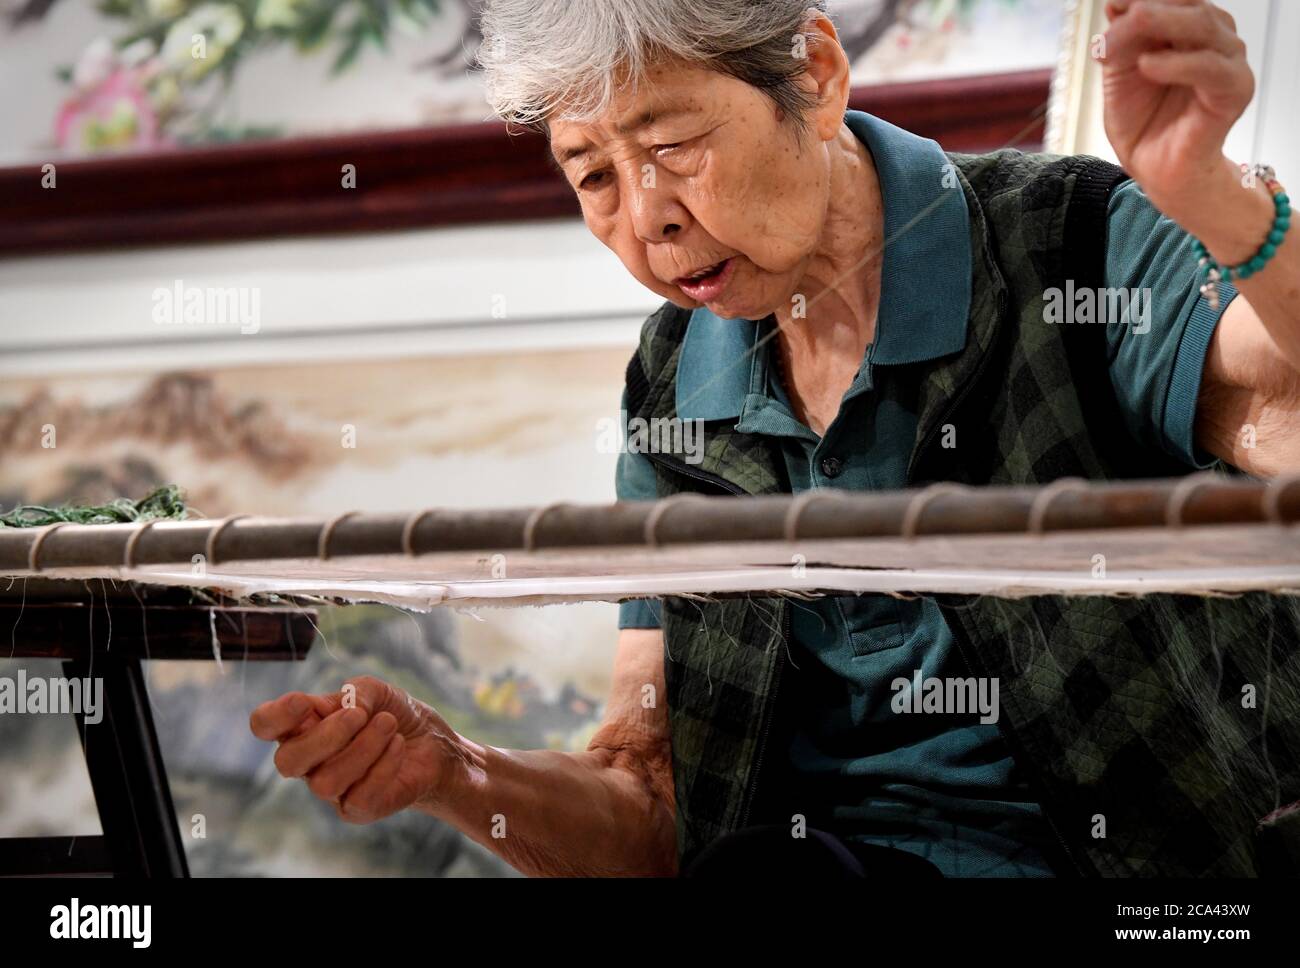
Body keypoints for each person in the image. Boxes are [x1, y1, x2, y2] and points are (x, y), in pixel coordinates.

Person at [250, 0, 1300, 877]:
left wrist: (1211, 197)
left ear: (818, 71)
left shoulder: (1061, 235)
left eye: (671, 145)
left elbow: (1282, 401)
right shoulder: (675, 383)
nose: (648, 216)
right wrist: (455, 771)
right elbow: (653, 803)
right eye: (593, 175)